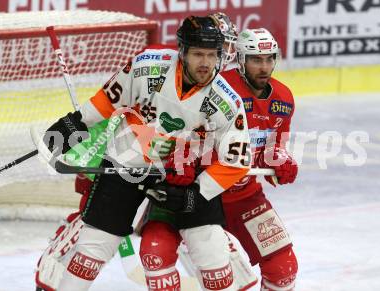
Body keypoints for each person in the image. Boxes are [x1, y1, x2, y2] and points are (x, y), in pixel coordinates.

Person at [36, 15, 250, 291]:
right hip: (127, 163)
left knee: (209, 248)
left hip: (184, 176)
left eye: (212, 55)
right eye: (198, 54)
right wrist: (75, 123)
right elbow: (109, 99)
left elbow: (237, 162)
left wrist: (197, 193)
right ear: (182, 51)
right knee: (94, 246)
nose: (206, 63)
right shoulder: (147, 67)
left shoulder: (227, 102)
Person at [139, 27, 299, 291]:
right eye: (256, 60)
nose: (264, 67)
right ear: (241, 59)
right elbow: (180, 130)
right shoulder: (215, 88)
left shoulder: (283, 98)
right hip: (198, 194)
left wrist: (281, 159)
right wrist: (180, 159)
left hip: (244, 195)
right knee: (156, 254)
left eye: (269, 59)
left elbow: (274, 146)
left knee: (283, 269)